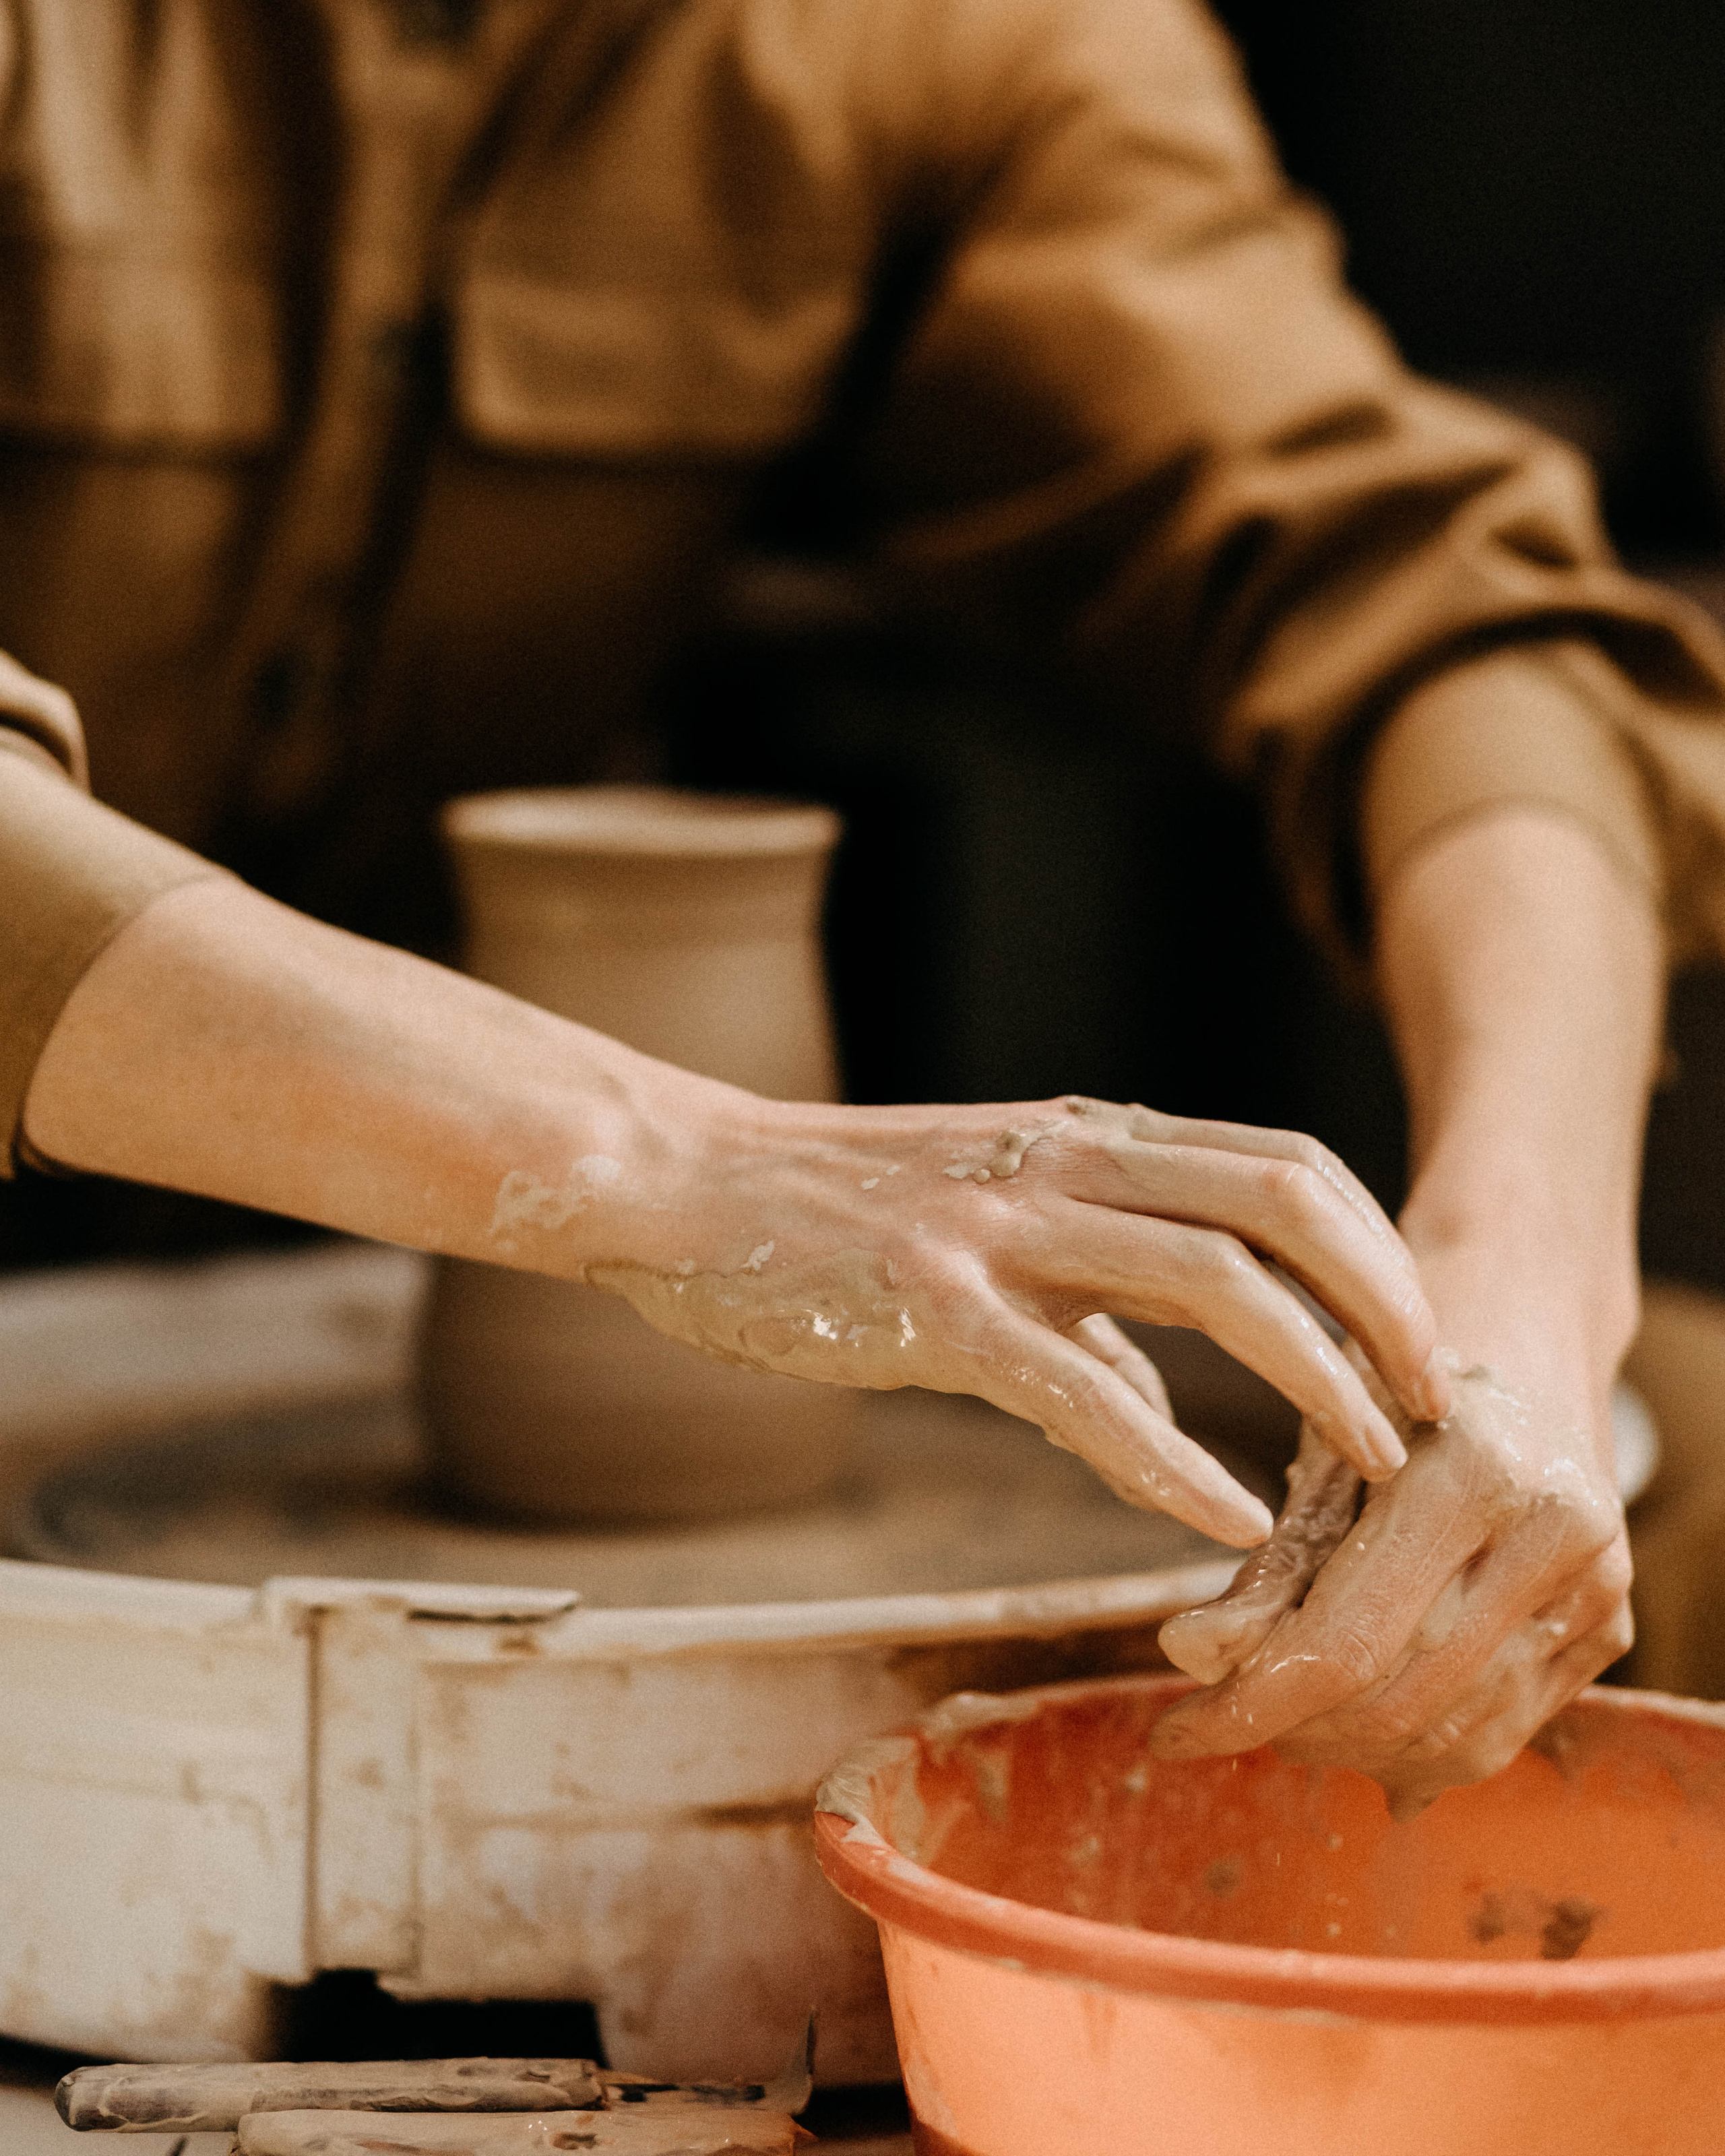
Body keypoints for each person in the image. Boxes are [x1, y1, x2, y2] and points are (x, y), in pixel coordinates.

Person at [1, 0, 1721, 1806]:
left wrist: (1520, 1277)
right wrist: (667, 1165)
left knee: (1653, 1451)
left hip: (422, 1274)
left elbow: (1430, 602)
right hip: (326, 1214)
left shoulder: (931, 36)